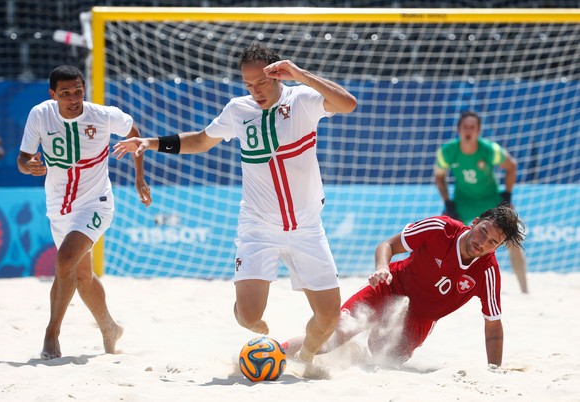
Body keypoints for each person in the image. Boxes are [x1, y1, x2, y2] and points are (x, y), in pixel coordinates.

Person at [112, 44, 357, 376]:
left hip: (306, 228)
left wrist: (299, 74)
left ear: (279, 74)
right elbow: (200, 140)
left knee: (328, 318)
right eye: (248, 85)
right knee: (249, 317)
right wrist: (151, 143)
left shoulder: (302, 99)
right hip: (258, 228)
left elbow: (348, 103)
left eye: (261, 83)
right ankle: (260, 331)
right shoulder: (238, 110)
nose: (254, 91)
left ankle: (305, 358)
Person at [17, 65, 152, 360]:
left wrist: (139, 176)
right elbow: (22, 159)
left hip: (96, 202)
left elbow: (135, 133)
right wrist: (29, 167)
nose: (73, 98)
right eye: (65, 93)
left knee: (64, 261)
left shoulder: (102, 115)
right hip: (58, 206)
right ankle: (110, 327)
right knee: (81, 276)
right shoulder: (40, 114)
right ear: (53, 95)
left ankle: (51, 335)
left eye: (78, 91)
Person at [283, 205, 526, 368]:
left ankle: (356, 352)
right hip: (390, 286)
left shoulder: (488, 272)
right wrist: (383, 268)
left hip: (419, 319)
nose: (482, 243)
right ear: (475, 223)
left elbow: (493, 327)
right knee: (333, 336)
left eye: (492, 242)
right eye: (482, 232)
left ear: (498, 247)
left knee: (382, 359)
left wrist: (494, 371)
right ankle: (274, 351)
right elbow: (387, 245)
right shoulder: (440, 228)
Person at [434, 111, 528, 294]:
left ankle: (524, 290)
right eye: (465, 127)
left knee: (514, 241)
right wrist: (448, 202)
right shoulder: (447, 152)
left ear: (478, 131)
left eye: (472, 127)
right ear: (459, 130)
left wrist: (507, 197)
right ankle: (435, 279)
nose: (468, 131)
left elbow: (512, 166)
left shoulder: (489, 149)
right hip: (463, 201)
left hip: (491, 200)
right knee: (440, 236)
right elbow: (439, 177)